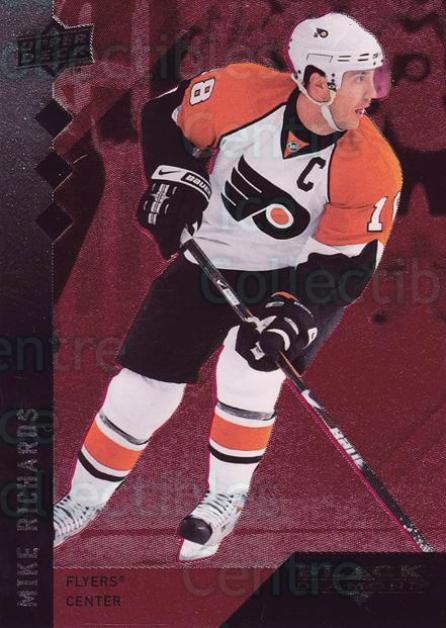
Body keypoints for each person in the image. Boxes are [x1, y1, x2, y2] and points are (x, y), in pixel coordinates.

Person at [54, 13, 402, 561]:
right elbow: (163, 114)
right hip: (210, 256)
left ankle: (225, 497)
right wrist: (175, 177)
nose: (372, 95)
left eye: (374, 78)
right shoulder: (241, 90)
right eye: (360, 79)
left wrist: (294, 316)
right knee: (140, 388)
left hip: (299, 277)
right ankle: (82, 500)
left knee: (249, 371)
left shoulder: (373, 166)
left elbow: (346, 267)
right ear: (317, 82)